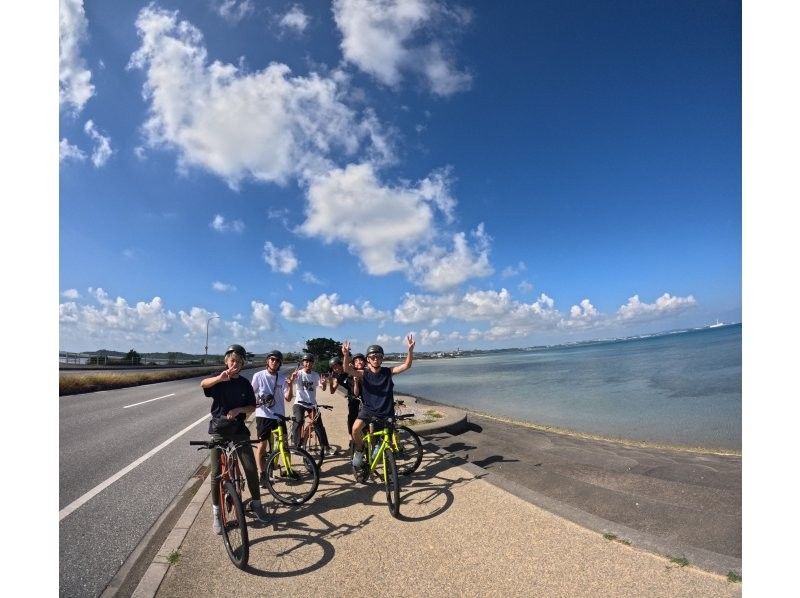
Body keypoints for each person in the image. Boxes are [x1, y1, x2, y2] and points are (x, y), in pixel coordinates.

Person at [200, 344, 269, 533]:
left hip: (239, 430)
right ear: (226, 362)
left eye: (239, 361)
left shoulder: (245, 384)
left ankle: (256, 504)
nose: (235, 364)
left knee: (249, 467)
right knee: (215, 474)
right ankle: (216, 515)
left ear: (243, 363)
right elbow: (203, 384)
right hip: (219, 430)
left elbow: (252, 407)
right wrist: (219, 378)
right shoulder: (219, 379)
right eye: (232, 360)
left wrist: (239, 410)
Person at [342, 336, 414, 470]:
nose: (376, 359)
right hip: (368, 410)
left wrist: (410, 350)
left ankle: (382, 457)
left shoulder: (388, 372)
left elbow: (407, 365)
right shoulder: (364, 373)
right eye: (373, 356)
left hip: (386, 412)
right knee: (355, 429)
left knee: (383, 440)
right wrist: (346, 355)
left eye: (378, 356)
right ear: (368, 359)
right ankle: (359, 450)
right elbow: (347, 369)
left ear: (382, 358)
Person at [251, 349, 294, 488]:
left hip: (279, 415)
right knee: (262, 445)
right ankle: (262, 474)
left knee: (284, 444)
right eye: (272, 359)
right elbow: (252, 394)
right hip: (263, 415)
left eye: (277, 360)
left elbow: (288, 398)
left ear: (280, 363)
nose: (274, 362)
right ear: (267, 361)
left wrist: (291, 384)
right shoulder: (258, 376)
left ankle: (286, 469)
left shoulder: (282, 378)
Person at [290, 352, 334, 455]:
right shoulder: (299, 374)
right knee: (299, 420)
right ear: (302, 363)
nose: (308, 364)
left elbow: (322, 388)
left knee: (318, 424)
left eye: (310, 362)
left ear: (313, 364)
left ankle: (326, 446)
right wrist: (292, 378)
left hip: (311, 404)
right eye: (306, 362)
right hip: (299, 403)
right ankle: (295, 445)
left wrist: (323, 384)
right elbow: (291, 382)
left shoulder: (315, 375)